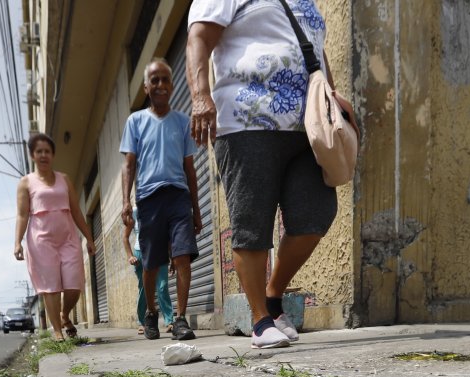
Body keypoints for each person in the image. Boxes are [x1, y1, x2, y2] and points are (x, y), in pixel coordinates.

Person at [187, 0, 355, 348]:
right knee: (252, 225)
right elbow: (199, 39)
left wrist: (332, 101)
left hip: (308, 126)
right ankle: (261, 319)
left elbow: (316, 56)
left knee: (316, 214)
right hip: (246, 121)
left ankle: (273, 295)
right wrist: (201, 96)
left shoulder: (306, 2)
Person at [120, 58, 204, 341]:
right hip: (148, 199)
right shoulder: (136, 121)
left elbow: (189, 168)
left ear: (172, 84)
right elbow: (129, 164)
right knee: (151, 262)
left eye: (165, 79)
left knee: (182, 256)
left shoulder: (182, 122)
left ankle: (179, 318)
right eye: (154, 80)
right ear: (146, 87)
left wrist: (196, 209)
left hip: (178, 197)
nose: (160, 85)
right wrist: (125, 203)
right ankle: (152, 312)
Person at [14, 132, 96, 340]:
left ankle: (64, 314)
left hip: (68, 238)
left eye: (47, 151)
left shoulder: (64, 179)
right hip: (41, 241)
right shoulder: (26, 183)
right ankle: (58, 331)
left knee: (73, 285)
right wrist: (17, 243)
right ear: (33, 155)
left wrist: (89, 237)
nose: (43, 155)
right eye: (39, 151)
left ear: (52, 154)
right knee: (50, 287)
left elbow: (76, 211)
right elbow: (22, 214)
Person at [122, 208, 175, 335]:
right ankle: (142, 322)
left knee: (162, 286)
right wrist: (130, 255)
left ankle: (169, 321)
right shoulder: (135, 212)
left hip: (160, 251)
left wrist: (172, 257)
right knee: (144, 288)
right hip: (141, 253)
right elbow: (125, 237)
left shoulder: (161, 208)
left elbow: (167, 236)